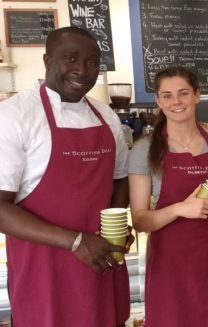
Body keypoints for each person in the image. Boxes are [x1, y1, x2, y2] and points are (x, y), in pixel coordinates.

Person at [0, 26, 131, 326]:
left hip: (102, 264)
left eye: (92, 62)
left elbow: (120, 179)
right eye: (70, 58)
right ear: (47, 61)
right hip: (43, 273)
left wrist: (116, 224)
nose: (82, 70)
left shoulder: (107, 116)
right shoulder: (13, 116)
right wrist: (75, 242)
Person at [128, 66, 208, 326]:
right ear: (158, 101)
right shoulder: (144, 150)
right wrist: (180, 208)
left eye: (183, 93)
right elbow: (140, 221)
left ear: (197, 96)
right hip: (170, 267)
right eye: (167, 95)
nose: (176, 102)